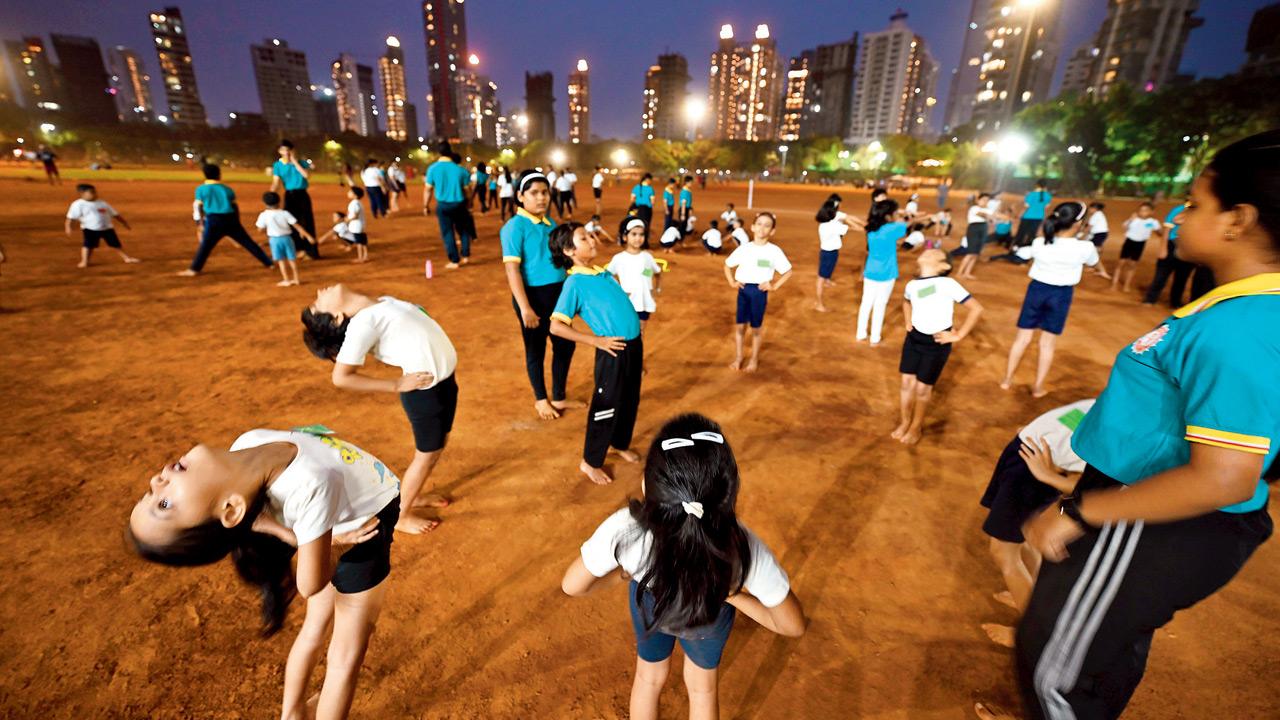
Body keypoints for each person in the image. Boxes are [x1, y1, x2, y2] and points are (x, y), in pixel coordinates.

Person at [1012, 130, 1280, 720]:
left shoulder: (1241, 328)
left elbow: (1225, 478)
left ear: (1238, 219)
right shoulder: (1240, 312)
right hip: (1147, 510)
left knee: (1055, 676)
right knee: (1103, 655)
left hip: (1147, 521)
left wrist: (1081, 512)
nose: (1179, 216)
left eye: (1196, 204)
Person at [127, 426, 400, 720]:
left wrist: (304, 540)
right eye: (163, 504)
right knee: (345, 656)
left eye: (150, 493)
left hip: (331, 529)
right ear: (230, 510)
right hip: (359, 537)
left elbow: (257, 519)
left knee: (314, 629)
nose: (156, 480)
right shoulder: (314, 482)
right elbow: (309, 584)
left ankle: (292, 714)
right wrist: (333, 549)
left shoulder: (247, 445)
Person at [561, 413, 806, 720]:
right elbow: (791, 626)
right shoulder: (742, 545)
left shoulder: (626, 527)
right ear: (729, 495)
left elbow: (572, 585)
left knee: (648, 678)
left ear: (647, 485)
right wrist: (731, 595)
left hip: (651, 603)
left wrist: (626, 572)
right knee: (703, 689)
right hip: (712, 609)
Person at [301, 284, 458, 534]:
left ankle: (412, 495)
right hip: (425, 394)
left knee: (438, 446)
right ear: (337, 317)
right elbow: (341, 377)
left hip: (444, 383)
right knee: (426, 456)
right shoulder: (363, 324)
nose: (320, 291)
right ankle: (401, 516)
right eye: (317, 303)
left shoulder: (379, 303)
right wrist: (396, 384)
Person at [978, 400, 1094, 649]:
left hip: (1034, 472)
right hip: (1029, 457)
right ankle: (1031, 597)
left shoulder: (1148, 436)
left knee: (1003, 552)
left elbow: (1102, 488)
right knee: (1027, 538)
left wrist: (1048, 476)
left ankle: (1031, 636)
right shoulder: (1144, 404)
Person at [549, 223, 645, 485]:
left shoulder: (601, 273)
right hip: (611, 351)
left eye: (590, 235)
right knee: (606, 408)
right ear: (569, 250)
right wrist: (595, 341)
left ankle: (619, 442)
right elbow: (556, 326)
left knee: (629, 401)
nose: (592, 240)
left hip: (632, 348)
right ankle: (590, 462)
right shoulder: (575, 283)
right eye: (584, 238)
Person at [501, 171, 582, 420]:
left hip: (557, 294)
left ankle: (559, 396)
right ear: (520, 196)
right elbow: (512, 269)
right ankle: (540, 399)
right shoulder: (515, 226)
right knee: (535, 349)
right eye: (534, 193)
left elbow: (562, 262)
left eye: (544, 192)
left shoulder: (551, 225)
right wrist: (525, 307)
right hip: (532, 297)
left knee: (565, 344)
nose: (541, 198)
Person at [997, 203, 1099, 398]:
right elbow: (1093, 262)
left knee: (1023, 339)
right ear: (1078, 224)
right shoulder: (1085, 247)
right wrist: (1100, 269)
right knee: (1047, 344)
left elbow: (1022, 253)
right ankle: (1038, 388)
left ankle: (1007, 380)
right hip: (1061, 295)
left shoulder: (1040, 243)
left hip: (1036, 291)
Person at [894, 249, 983, 445]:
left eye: (934, 252)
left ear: (944, 266)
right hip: (913, 340)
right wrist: (908, 321)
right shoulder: (914, 285)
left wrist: (958, 335)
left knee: (922, 390)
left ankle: (916, 427)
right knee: (906, 384)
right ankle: (905, 421)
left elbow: (976, 308)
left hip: (936, 343)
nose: (929, 250)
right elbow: (907, 301)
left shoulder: (948, 284)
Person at [724, 212, 793, 372]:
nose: (762, 228)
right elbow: (727, 265)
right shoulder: (744, 249)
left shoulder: (774, 251)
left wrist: (774, 286)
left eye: (767, 225)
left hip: (759, 292)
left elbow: (788, 271)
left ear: (772, 231)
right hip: (743, 290)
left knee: (756, 329)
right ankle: (739, 357)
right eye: (760, 224)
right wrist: (732, 282)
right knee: (740, 327)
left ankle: (754, 359)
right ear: (753, 227)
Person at [181, 164, 274, 278]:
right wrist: (237, 222)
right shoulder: (227, 189)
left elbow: (199, 207)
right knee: (248, 243)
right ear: (219, 174)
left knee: (206, 246)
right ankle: (269, 263)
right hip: (230, 219)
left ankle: (194, 269)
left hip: (213, 220)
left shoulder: (201, 189)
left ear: (205, 175)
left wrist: (200, 223)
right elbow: (235, 207)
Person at [857, 200, 908, 344]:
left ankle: (861, 334)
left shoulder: (871, 228)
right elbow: (907, 225)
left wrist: (896, 216)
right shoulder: (892, 229)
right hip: (887, 273)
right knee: (880, 305)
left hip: (871, 272)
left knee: (866, 303)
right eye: (895, 212)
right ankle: (875, 338)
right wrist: (904, 216)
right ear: (887, 216)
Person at [64, 183, 140, 268]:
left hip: (107, 228)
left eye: (95, 192)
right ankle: (85, 261)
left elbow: (115, 214)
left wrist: (124, 223)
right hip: (90, 229)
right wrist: (68, 227)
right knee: (88, 245)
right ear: (82, 194)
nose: (95, 194)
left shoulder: (102, 203)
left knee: (115, 244)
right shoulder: (78, 204)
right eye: (91, 192)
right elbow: (71, 217)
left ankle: (127, 258)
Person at [607, 218, 663, 332]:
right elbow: (607, 276)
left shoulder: (647, 257)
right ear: (624, 237)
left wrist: (656, 289)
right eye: (634, 234)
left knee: (640, 332)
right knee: (626, 331)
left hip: (643, 302)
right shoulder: (619, 258)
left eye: (641, 234)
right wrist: (618, 290)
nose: (638, 238)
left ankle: (638, 350)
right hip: (626, 303)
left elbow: (653, 273)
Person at [423, 144, 473, 269]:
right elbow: (468, 190)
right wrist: (469, 202)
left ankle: (454, 260)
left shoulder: (432, 169)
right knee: (464, 230)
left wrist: (425, 205)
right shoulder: (461, 170)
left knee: (447, 233)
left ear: (438, 153)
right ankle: (465, 255)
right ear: (450, 153)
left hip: (443, 206)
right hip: (460, 204)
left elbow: (428, 189)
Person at [268, 140, 320, 260]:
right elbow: (276, 183)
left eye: (288, 150)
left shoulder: (300, 163)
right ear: (279, 151)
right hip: (290, 195)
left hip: (302, 195)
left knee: (307, 222)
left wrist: (295, 162)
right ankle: (298, 249)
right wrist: (271, 195)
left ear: (293, 150)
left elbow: (306, 176)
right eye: (283, 150)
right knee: (291, 223)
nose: (286, 152)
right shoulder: (277, 165)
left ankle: (311, 252)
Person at [1142, 198, 1196, 307]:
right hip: (1172, 244)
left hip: (1188, 247)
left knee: (1182, 277)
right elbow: (1167, 229)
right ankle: (1150, 299)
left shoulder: (1200, 213)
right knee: (1161, 275)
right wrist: (1163, 248)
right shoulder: (1179, 210)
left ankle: (1175, 302)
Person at [255, 192, 314, 287]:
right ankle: (296, 279)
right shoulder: (285, 213)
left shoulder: (264, 215)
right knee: (292, 259)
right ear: (279, 202)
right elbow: (297, 226)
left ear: (265, 203)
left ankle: (286, 280)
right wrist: (308, 236)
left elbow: (260, 229)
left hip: (274, 240)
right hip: (287, 238)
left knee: (281, 260)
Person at [1109, 202, 1163, 293]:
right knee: (1120, 263)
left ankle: (1126, 285)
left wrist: (1160, 229)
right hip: (1129, 242)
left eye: (1145, 210)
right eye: (1141, 210)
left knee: (1132, 265)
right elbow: (1125, 227)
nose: (1142, 212)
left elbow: (1160, 233)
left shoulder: (1153, 222)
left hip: (1140, 244)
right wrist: (1130, 219)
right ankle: (1114, 284)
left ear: (1151, 212)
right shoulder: (1134, 219)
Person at [957, 193, 995, 279]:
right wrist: (990, 216)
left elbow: (992, 219)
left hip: (983, 229)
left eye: (987, 200)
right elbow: (982, 214)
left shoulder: (988, 210)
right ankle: (959, 273)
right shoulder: (974, 208)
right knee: (971, 253)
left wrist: (992, 217)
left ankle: (967, 273)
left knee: (976, 254)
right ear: (978, 200)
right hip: (974, 229)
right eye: (983, 200)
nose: (985, 202)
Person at [1013, 180, 1053, 249]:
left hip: (1027, 216)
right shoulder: (1048, 196)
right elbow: (1046, 207)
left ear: (1037, 185)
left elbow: (1026, 206)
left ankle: (1016, 247)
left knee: (1021, 233)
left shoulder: (1031, 194)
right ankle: (1028, 248)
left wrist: (1020, 214)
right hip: (1039, 217)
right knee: (1032, 234)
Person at [1084, 202, 1112, 279]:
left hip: (1098, 234)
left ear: (1094, 209)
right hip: (1102, 233)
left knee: (1092, 250)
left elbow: (1088, 228)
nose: (1089, 210)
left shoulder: (1095, 215)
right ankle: (1094, 265)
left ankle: (1101, 270)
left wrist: (1083, 237)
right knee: (1098, 249)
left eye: (1090, 208)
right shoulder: (1099, 214)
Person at [345, 186, 369, 263]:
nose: (348, 193)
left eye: (350, 192)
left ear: (355, 195)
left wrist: (348, 220)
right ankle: (365, 256)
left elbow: (355, 215)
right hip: (361, 225)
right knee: (363, 241)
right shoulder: (358, 203)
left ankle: (360, 257)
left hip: (356, 226)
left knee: (359, 242)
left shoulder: (354, 203)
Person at [677, 176, 695, 241]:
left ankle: (681, 240)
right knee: (682, 227)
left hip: (686, 209)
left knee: (683, 226)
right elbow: (683, 204)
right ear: (687, 182)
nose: (691, 184)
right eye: (691, 182)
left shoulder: (687, 190)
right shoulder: (685, 191)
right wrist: (683, 214)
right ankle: (680, 240)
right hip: (683, 210)